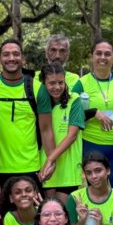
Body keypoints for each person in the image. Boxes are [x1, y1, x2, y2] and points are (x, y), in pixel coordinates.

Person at [0, 39, 55, 189]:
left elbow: (46, 130)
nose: (11, 58)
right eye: (6, 54)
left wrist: (51, 160)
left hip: (29, 167)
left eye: (16, 54)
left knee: (29, 213)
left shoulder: (37, 89)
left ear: (23, 58)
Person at [71, 39, 113, 190]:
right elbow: (72, 115)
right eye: (98, 53)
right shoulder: (81, 83)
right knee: (96, 188)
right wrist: (93, 113)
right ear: (91, 57)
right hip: (92, 144)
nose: (103, 57)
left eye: (107, 54)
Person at [38, 63, 85, 201]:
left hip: (67, 167)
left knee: (63, 213)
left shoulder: (74, 100)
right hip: (45, 167)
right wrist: (48, 162)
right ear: (43, 83)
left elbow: (72, 136)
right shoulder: (40, 102)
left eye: (60, 82)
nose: (57, 87)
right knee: (48, 211)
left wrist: (51, 159)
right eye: (52, 83)